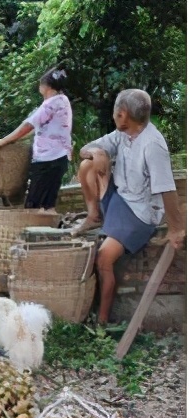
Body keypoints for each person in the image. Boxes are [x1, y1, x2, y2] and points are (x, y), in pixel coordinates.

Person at [71, 89, 186, 323]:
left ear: (123, 115)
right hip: (120, 198)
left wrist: (176, 228)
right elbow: (85, 149)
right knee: (87, 165)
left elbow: (167, 188)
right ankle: (94, 216)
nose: (114, 116)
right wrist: (96, 152)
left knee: (103, 259)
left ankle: (102, 321)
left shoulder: (153, 145)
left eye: (115, 112)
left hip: (139, 214)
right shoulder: (122, 134)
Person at [0, 67, 72, 211]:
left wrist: (2, 142)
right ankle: (50, 228)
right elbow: (35, 128)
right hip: (59, 157)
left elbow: (28, 125)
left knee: (33, 205)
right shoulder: (63, 100)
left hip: (48, 160)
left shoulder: (51, 104)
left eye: (40, 84)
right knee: (48, 204)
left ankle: (38, 231)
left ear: (46, 87)